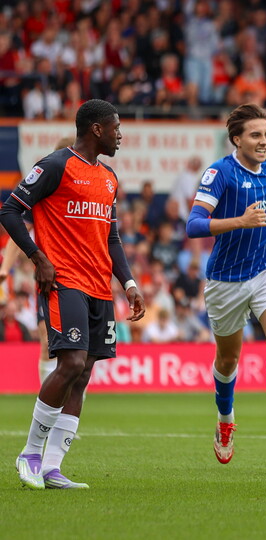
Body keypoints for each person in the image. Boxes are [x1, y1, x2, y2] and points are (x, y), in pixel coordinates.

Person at [2, 100, 145, 489]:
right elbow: (10, 210)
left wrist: (129, 283)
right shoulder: (55, 165)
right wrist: (37, 258)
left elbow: (111, 236)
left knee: (82, 374)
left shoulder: (110, 178)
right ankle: (29, 454)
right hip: (65, 281)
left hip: (101, 286)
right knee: (70, 363)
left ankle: (52, 467)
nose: (120, 134)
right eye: (115, 127)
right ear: (96, 129)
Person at [186, 104, 266, 471]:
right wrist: (240, 220)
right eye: (256, 135)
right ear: (236, 139)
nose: (264, 142)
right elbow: (194, 224)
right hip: (226, 278)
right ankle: (225, 421)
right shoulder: (219, 173)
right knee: (228, 359)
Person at [1, 136, 73, 383]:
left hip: (84, 276)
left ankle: (71, 405)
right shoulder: (43, 193)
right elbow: (17, 233)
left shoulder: (91, 189)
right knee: (47, 340)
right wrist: (5, 268)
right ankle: (49, 399)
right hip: (50, 276)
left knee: (81, 349)